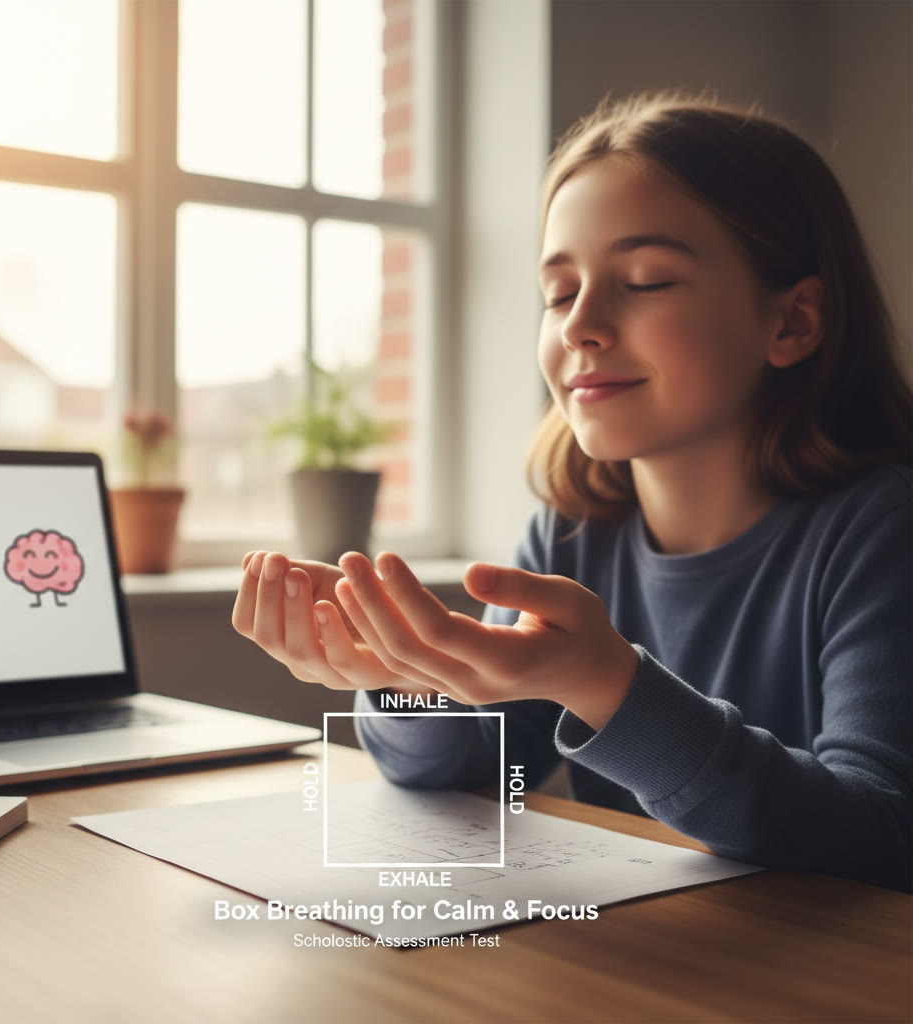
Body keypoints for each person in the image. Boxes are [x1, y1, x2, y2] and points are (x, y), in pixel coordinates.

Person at [232, 89, 912, 893]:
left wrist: (608, 683)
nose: (580, 324)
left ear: (793, 322)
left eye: (648, 279)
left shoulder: (882, 532)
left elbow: (881, 835)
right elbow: (472, 765)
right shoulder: (570, 535)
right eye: (558, 292)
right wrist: (405, 678)